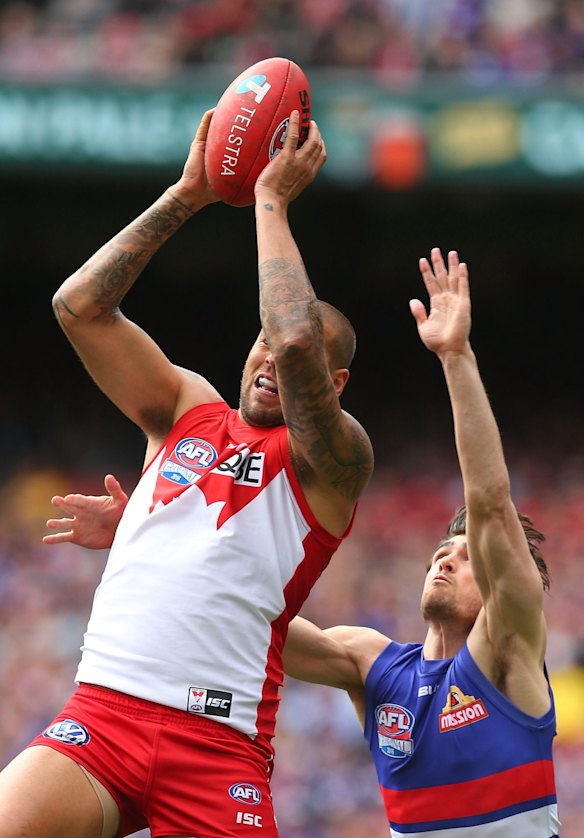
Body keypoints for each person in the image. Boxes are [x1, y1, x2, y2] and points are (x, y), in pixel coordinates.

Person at [52, 249, 560, 837]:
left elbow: (493, 505)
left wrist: (455, 356)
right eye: (445, 549)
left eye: (470, 557)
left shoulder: (510, 650)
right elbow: (241, 618)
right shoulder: (372, 665)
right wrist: (152, 534)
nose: (448, 557)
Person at [0, 108, 374, 838]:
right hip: (103, 717)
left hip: (217, 746)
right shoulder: (184, 408)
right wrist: (190, 194)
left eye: (290, 351)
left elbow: (299, 339)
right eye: (258, 340)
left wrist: (268, 199)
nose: (271, 354)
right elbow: (79, 307)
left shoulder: (337, 460)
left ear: (337, 385)